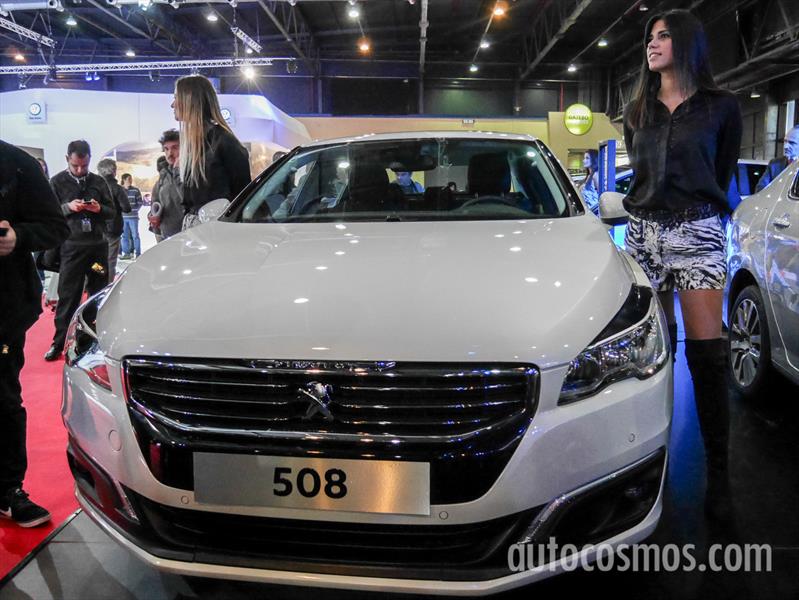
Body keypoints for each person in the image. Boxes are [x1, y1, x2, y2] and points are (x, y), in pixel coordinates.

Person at [622, 10, 742, 521]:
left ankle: (720, 474)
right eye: (650, 37)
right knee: (648, 356)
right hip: (643, 234)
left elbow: (721, 170)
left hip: (697, 230)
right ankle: (646, 460)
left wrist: (694, 216)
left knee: (706, 356)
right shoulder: (637, 110)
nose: (653, 45)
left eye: (664, 36)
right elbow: (641, 176)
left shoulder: (722, 108)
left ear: (688, 43)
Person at [0, 139, 69, 526]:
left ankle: (8, 489)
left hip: (5, 306)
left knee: (4, 400)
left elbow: (54, 227)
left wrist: (17, 239)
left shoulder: (15, 164)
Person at [45, 140, 116, 361]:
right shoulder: (56, 182)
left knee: (96, 295)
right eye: (75, 165)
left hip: (96, 250)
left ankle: (92, 343)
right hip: (71, 250)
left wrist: (98, 208)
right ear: (68, 159)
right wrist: (68, 207)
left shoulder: (99, 182)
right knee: (68, 296)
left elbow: (112, 212)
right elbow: (47, 212)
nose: (79, 170)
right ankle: (59, 343)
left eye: (84, 166)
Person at [171, 74, 251, 229]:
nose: (172, 105)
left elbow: (243, 195)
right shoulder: (193, 146)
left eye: (176, 97)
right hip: (196, 233)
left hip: (217, 234)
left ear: (190, 100)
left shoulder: (223, 142)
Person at [97, 158, 131, 282]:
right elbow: (126, 208)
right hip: (113, 229)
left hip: (98, 229)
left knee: (96, 259)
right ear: (114, 172)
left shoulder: (95, 188)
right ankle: (107, 285)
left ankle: (97, 279)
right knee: (110, 260)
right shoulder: (117, 188)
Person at [149, 129, 184, 241]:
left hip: (191, 236)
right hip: (167, 237)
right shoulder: (163, 176)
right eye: (166, 149)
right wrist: (153, 216)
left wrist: (177, 170)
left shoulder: (193, 173)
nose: (170, 153)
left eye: (175, 147)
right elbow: (156, 203)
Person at [754, 124, 799, 192]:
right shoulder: (774, 164)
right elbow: (760, 189)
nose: (785, 146)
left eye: (792, 143)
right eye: (785, 141)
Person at [120, 173, 142, 259]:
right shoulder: (120, 190)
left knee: (135, 236)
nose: (130, 181)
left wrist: (133, 211)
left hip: (133, 217)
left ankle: (138, 254)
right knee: (124, 236)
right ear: (124, 180)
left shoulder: (136, 190)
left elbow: (140, 202)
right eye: (128, 179)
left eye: (131, 179)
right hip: (123, 217)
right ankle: (127, 254)